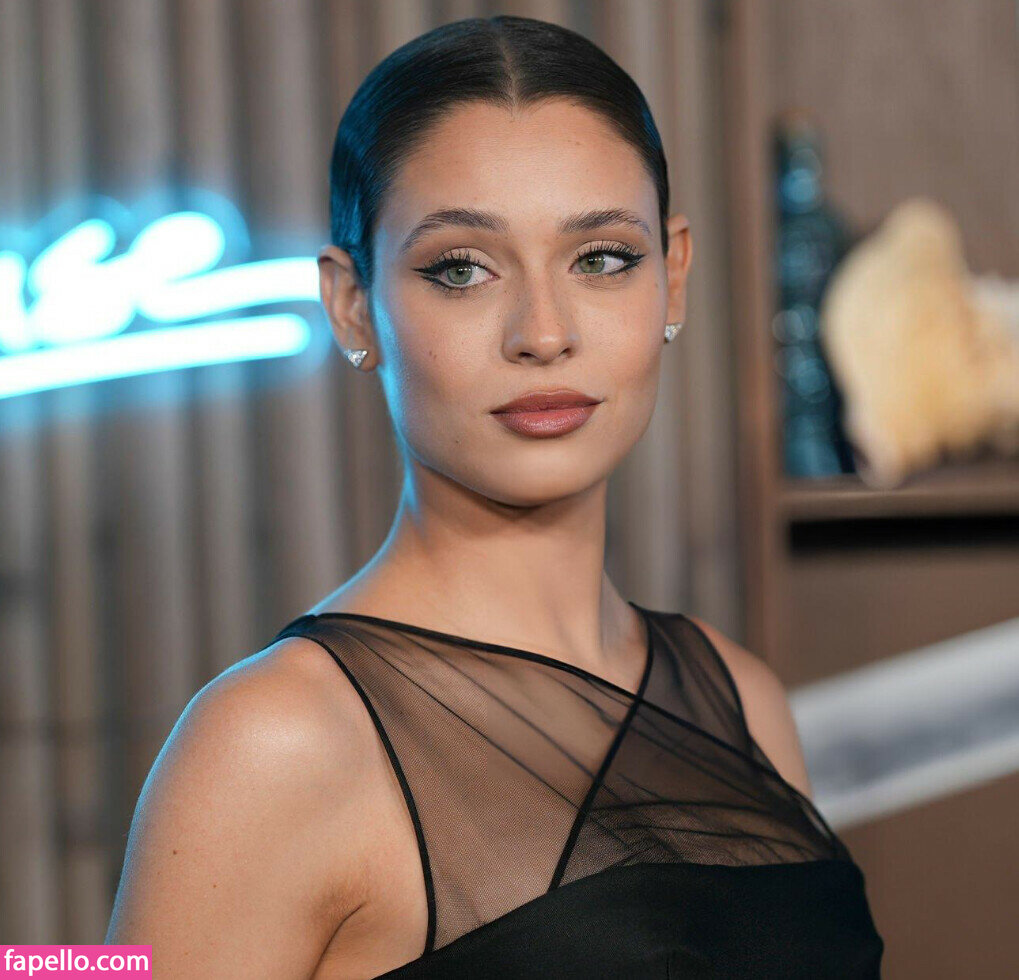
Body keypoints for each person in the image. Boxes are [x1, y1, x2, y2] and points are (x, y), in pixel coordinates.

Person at [106, 15, 884, 978]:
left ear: (673, 275)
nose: (543, 333)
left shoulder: (740, 698)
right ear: (352, 304)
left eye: (601, 258)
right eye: (461, 270)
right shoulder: (276, 744)